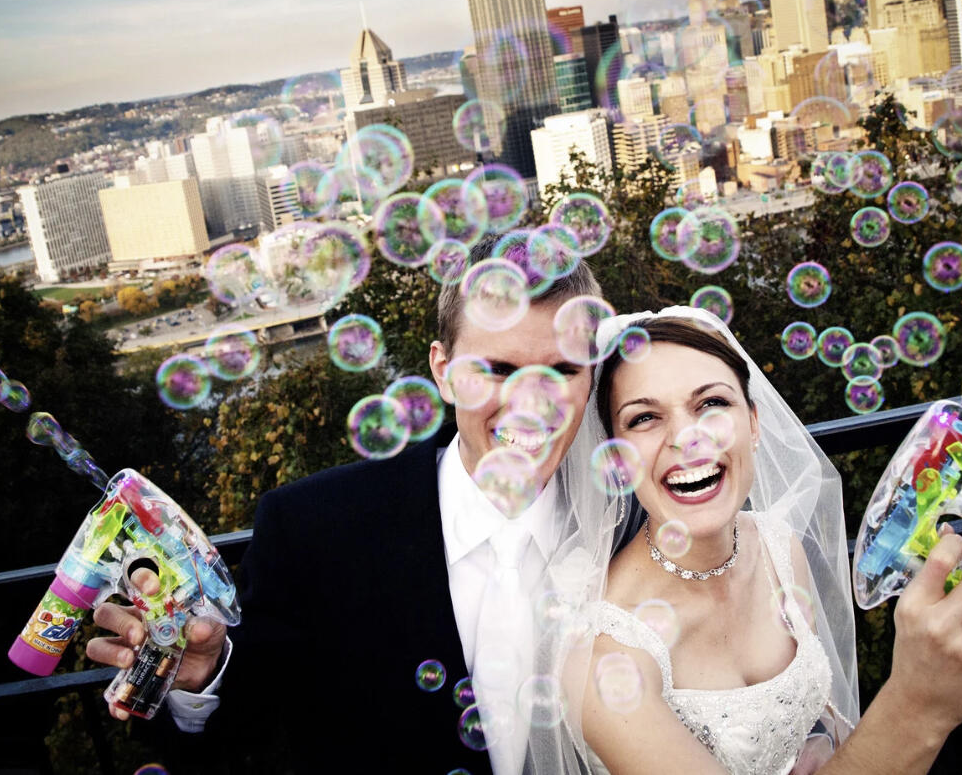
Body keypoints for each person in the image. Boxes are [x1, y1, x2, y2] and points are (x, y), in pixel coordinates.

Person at [86, 233, 605, 773]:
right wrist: (200, 678)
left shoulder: (637, 526)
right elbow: (242, 735)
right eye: (498, 369)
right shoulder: (313, 530)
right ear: (443, 371)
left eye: (563, 369)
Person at [530, 307, 962, 775]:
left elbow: (820, 730)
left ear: (753, 422)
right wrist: (920, 701)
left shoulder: (777, 548)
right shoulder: (604, 657)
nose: (687, 438)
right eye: (644, 418)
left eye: (712, 403)